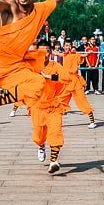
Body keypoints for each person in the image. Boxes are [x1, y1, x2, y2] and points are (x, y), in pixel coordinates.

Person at [29, 40, 69, 173]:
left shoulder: (55, 66)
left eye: (47, 50)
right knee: (39, 135)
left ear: (50, 52)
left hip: (53, 106)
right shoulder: (31, 67)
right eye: (41, 50)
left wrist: (49, 76)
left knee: (55, 132)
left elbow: (65, 77)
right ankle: (41, 145)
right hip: (37, 106)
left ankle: (53, 161)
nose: (44, 53)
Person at [60, 39, 96, 128]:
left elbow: (83, 55)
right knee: (61, 100)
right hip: (67, 81)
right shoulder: (64, 55)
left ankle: (92, 121)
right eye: (66, 46)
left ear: (71, 46)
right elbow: (56, 53)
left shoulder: (75, 55)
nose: (67, 47)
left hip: (75, 81)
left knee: (82, 100)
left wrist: (88, 53)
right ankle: (55, 120)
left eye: (69, 46)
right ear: (64, 47)